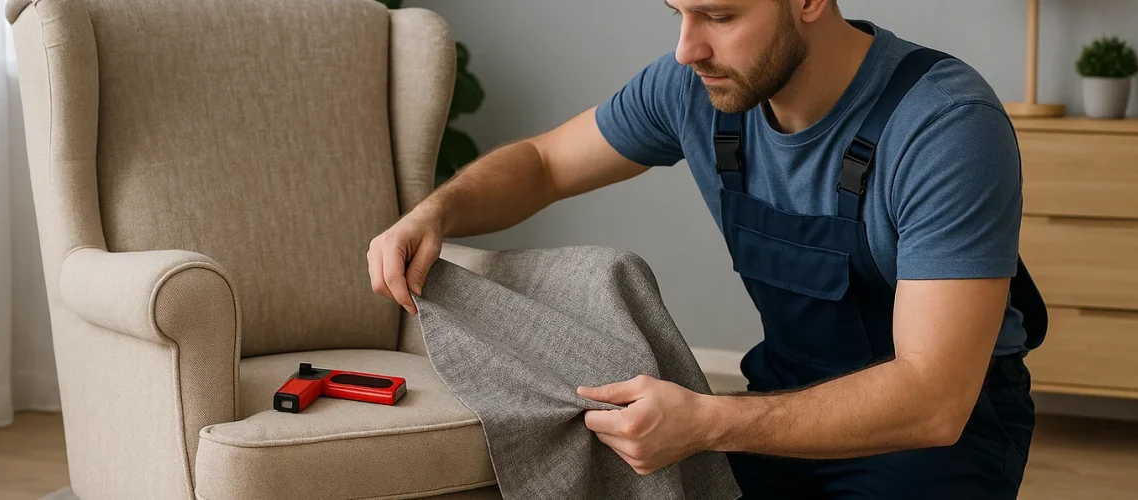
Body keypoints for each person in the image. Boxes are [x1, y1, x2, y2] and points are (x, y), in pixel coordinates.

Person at [366, 0, 1048, 497]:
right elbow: (544, 164)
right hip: (783, 402)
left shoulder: (944, 126)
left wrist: (708, 423)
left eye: (719, 16)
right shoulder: (696, 88)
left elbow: (933, 398)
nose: (688, 49)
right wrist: (436, 211)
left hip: (936, 439)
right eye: (679, 13)